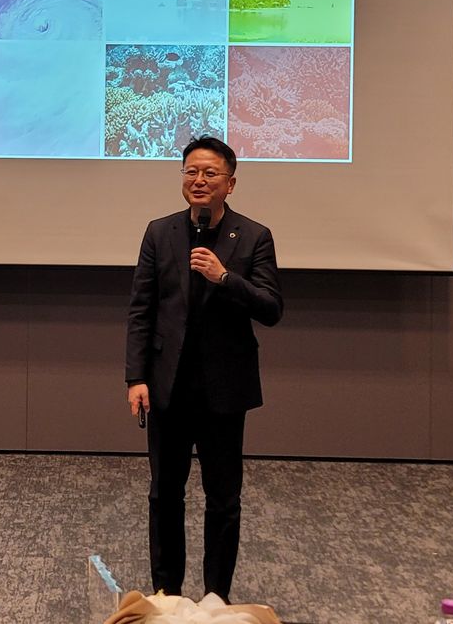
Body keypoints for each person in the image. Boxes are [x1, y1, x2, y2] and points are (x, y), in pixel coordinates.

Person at [125, 136, 283, 603]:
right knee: (164, 495)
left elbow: (271, 308)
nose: (199, 180)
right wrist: (136, 377)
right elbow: (142, 310)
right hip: (168, 385)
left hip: (224, 389)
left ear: (230, 184)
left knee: (224, 498)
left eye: (210, 173)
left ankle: (217, 594)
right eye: (191, 171)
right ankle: (167, 591)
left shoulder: (254, 236)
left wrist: (224, 278)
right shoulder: (160, 232)